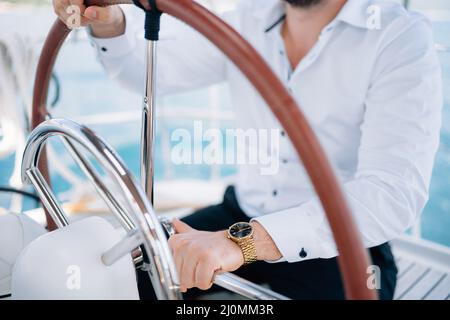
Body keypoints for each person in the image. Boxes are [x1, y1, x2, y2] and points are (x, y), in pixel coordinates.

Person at [52, 0, 442, 299]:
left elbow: (391, 192)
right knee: (118, 283)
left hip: (342, 246)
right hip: (239, 215)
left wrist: (243, 243)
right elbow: (141, 69)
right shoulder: (247, 20)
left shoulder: (398, 36)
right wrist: (114, 24)